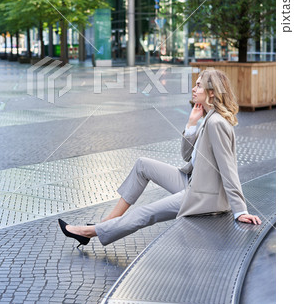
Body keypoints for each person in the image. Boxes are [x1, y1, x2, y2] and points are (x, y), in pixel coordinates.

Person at [58, 69, 261, 248]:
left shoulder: (216, 123)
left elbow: (228, 169)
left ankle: (88, 232)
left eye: (198, 85)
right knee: (142, 165)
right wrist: (191, 124)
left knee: (145, 213)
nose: (193, 88)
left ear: (211, 92)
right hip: (192, 182)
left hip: (204, 196)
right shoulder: (207, 118)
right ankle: (108, 221)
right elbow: (186, 156)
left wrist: (239, 210)